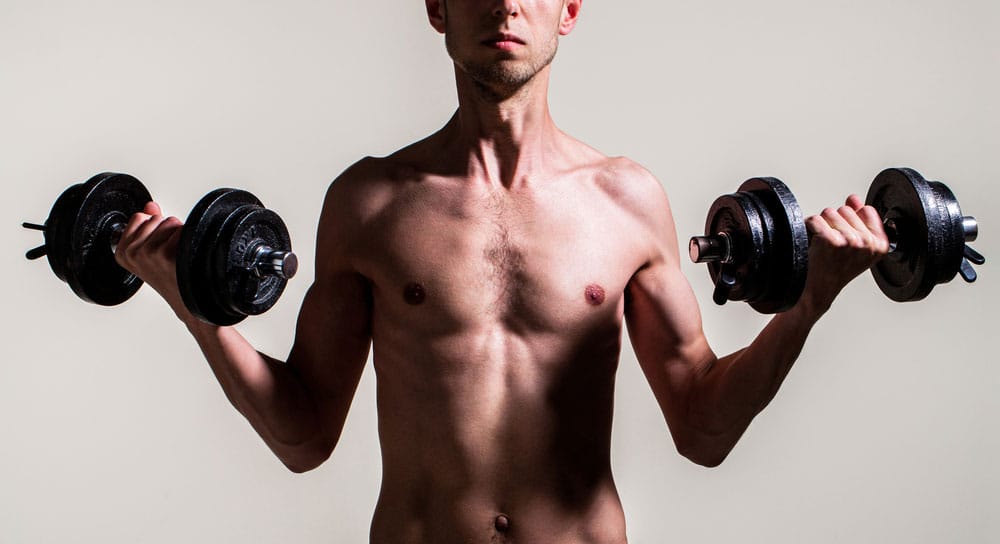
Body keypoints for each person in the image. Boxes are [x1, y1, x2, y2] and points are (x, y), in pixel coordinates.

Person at [114, 1, 890, 542]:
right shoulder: (369, 203)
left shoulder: (626, 200)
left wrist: (807, 304)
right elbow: (305, 437)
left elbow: (703, 428)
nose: (506, 5)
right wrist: (200, 310)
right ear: (437, 8)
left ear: (571, 11)